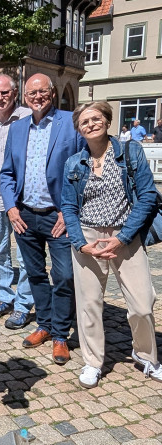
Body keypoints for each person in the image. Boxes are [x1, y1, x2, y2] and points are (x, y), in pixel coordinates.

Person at [61, 101, 161, 388]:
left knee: (142, 303)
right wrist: (81, 244)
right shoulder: (73, 163)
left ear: (107, 121)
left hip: (125, 236)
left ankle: (145, 355)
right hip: (88, 236)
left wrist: (123, 237)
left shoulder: (131, 152)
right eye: (84, 122)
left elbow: (148, 196)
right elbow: (68, 206)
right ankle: (92, 362)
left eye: (96, 119)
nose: (91, 124)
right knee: (89, 305)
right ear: (79, 129)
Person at [0, 73, 85, 365]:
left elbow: (81, 172)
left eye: (42, 91)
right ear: (24, 97)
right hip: (25, 217)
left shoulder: (69, 124)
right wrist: (11, 208)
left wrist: (69, 210)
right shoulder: (18, 128)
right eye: (31, 93)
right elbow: (7, 173)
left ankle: (61, 335)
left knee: (63, 276)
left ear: (52, 92)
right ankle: (45, 326)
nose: (37, 97)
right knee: (35, 274)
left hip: (57, 217)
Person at [0, 74, 34, 330]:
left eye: (4, 93)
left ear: (15, 93)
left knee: (25, 255)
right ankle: (4, 296)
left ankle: (23, 305)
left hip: (22, 200)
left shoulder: (27, 117)